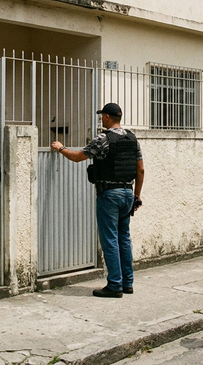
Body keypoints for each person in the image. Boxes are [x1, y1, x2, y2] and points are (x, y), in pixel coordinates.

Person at [51, 103, 144, 298]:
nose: (101, 119)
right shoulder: (132, 138)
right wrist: (137, 196)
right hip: (128, 193)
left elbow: (78, 157)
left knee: (110, 239)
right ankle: (127, 283)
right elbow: (140, 170)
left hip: (109, 194)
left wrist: (61, 148)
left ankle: (115, 285)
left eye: (102, 116)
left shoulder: (104, 139)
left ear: (108, 117)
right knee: (124, 238)